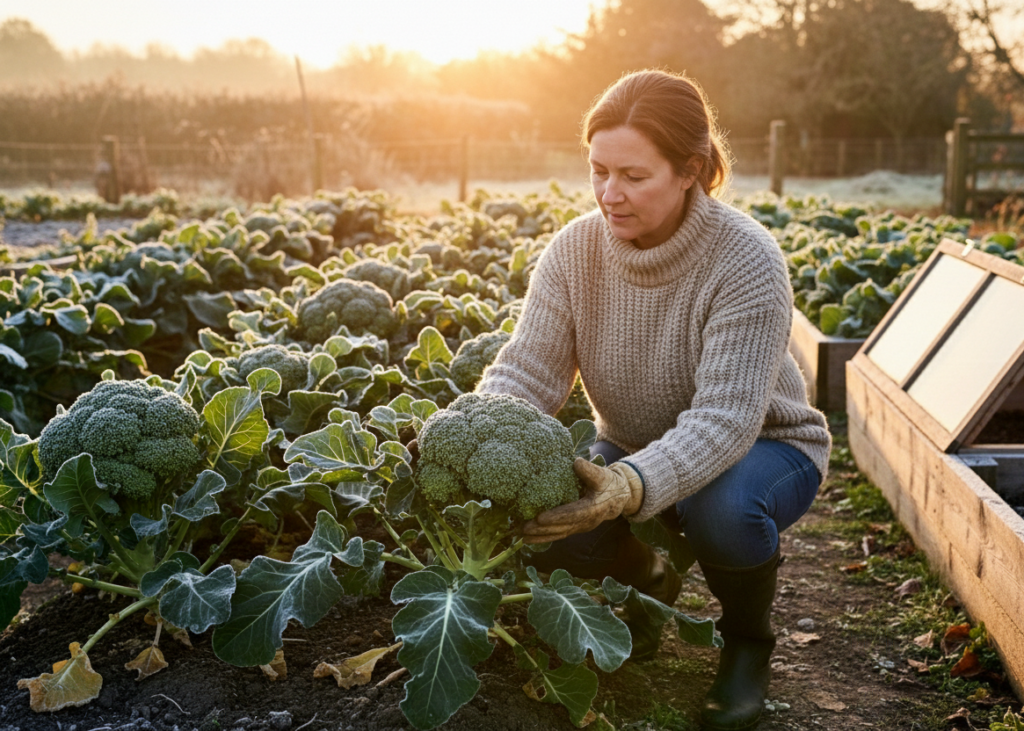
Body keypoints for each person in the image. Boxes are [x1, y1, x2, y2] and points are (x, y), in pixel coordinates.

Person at [475, 69, 832, 731]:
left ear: (691, 169)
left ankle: (749, 642)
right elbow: (526, 374)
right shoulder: (573, 253)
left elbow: (726, 418)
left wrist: (629, 484)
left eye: (634, 176)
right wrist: (468, 429)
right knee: (551, 515)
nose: (610, 193)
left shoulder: (746, 259)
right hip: (631, 444)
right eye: (598, 170)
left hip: (764, 445)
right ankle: (651, 576)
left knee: (720, 507)